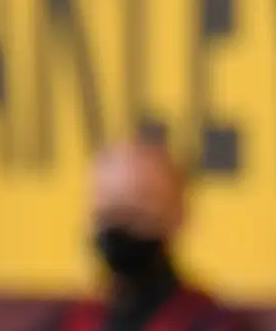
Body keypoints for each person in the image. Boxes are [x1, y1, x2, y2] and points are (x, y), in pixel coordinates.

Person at [35, 137, 253, 331]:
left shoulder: (213, 323)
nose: (121, 227)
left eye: (137, 210)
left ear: (178, 213)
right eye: (109, 212)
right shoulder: (69, 323)